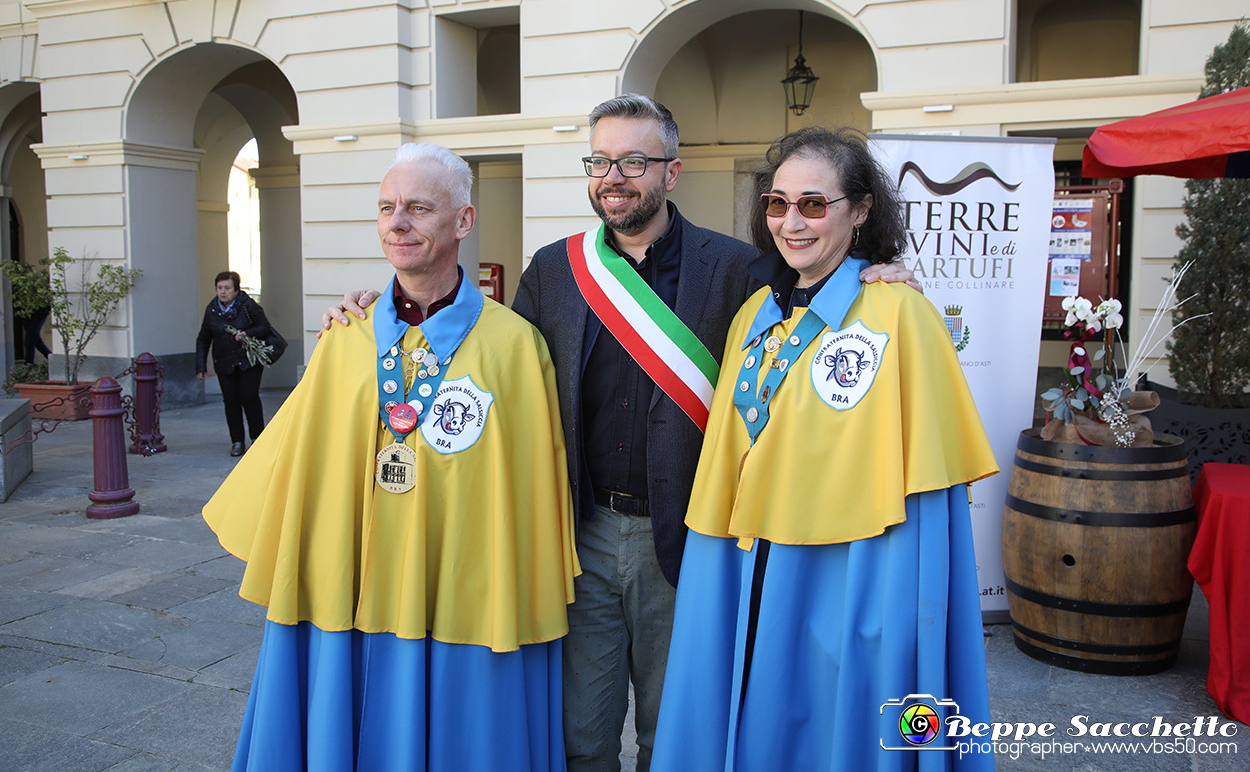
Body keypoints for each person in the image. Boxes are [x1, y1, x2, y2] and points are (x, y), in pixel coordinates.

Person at [322, 96, 919, 772]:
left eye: (634, 160)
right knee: (582, 733)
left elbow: (817, 300)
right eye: (601, 160)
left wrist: (880, 273)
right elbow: (487, 367)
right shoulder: (553, 269)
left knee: (678, 731)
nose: (614, 175)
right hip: (582, 535)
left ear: (671, 172)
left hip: (690, 537)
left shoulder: (735, 268)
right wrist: (378, 310)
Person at [203, 143, 579, 772]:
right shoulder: (345, 337)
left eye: (418, 207)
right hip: (349, 591)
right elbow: (303, 472)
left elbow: (530, 491)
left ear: (463, 221)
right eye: (386, 208)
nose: (397, 222)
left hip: (461, 595)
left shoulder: (515, 346)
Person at [649, 126, 998, 772]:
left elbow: (923, 499)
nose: (791, 221)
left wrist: (892, 624)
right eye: (777, 204)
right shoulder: (755, 311)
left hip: (850, 580)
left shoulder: (901, 313)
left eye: (813, 204)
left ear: (860, 209)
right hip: (750, 563)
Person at [195, 271, 268, 456]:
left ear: (236, 289)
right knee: (231, 401)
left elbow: (264, 327)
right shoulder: (212, 310)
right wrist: (201, 366)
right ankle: (237, 441)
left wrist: (247, 334)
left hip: (248, 361)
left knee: (249, 396)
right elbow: (203, 338)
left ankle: (257, 438)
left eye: (227, 288)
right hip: (224, 362)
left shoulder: (248, 306)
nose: (223, 292)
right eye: (220, 288)